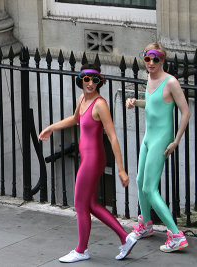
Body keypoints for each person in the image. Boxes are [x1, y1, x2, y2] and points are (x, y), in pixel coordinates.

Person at [39, 64, 137, 262]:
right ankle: (125, 238)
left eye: (94, 80)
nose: (90, 83)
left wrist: (121, 168)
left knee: (80, 204)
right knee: (90, 203)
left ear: (99, 81)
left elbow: (112, 136)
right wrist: (51, 127)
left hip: (93, 160)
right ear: (81, 80)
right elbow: (75, 119)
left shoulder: (100, 104)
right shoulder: (83, 99)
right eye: (86, 79)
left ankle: (82, 250)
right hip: (88, 158)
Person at [126, 42, 191, 252]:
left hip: (162, 139)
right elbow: (153, 103)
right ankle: (145, 225)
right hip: (149, 137)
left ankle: (176, 235)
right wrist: (136, 102)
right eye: (148, 58)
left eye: (156, 58)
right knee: (138, 180)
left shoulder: (170, 81)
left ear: (162, 59)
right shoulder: (149, 78)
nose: (151, 63)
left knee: (149, 188)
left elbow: (186, 112)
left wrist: (176, 140)